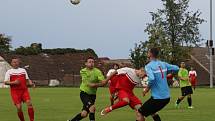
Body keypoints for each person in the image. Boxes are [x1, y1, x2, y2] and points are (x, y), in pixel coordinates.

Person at [137, 48, 179, 121]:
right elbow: (176, 68)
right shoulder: (163, 64)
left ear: (150, 54)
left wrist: (146, 89)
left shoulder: (149, 66)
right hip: (166, 97)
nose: (147, 53)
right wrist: (166, 72)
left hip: (158, 98)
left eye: (148, 52)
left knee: (140, 112)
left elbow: (152, 79)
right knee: (152, 112)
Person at [68, 57, 105, 121]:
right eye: (89, 62)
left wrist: (100, 83)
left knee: (84, 114)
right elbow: (89, 84)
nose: (91, 63)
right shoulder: (83, 71)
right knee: (92, 108)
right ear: (86, 63)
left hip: (93, 95)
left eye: (93, 62)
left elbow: (103, 82)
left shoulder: (97, 71)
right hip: (84, 94)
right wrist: (99, 84)